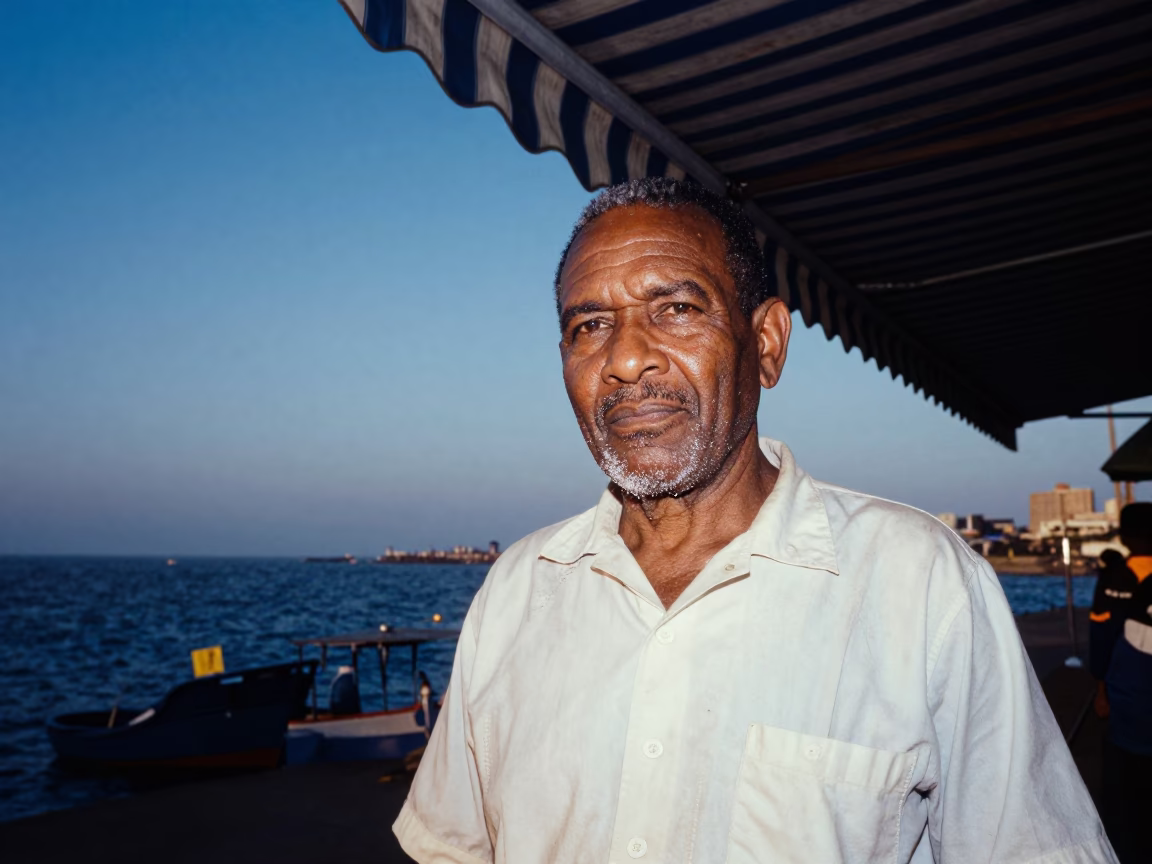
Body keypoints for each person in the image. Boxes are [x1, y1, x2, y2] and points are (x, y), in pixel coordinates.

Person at [394, 178, 1115, 863]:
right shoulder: (519, 590)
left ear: (766, 343)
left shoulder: (920, 584)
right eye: (591, 325)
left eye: (677, 309)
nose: (627, 359)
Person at [1099, 502, 1152, 863]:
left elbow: (1101, 635)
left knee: (1128, 789)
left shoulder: (1115, 576)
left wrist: (1100, 688)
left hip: (1127, 692)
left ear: (1122, 536)